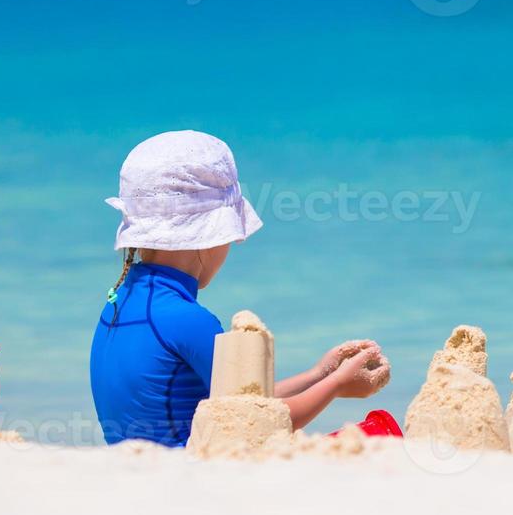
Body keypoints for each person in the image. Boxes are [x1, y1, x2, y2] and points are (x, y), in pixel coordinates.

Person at [89, 130, 389, 445]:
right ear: (207, 236)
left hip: (144, 469)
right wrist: (338, 386)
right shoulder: (188, 320)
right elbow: (257, 423)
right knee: (379, 437)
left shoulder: (120, 300)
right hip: (187, 477)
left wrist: (318, 375)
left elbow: (240, 399)